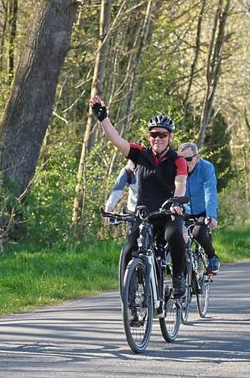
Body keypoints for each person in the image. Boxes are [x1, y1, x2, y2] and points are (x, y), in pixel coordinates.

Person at [89, 92, 189, 299]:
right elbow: (116, 140)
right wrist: (103, 117)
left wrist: (177, 202)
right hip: (144, 214)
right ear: (149, 136)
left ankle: (179, 278)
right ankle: (130, 299)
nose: (157, 139)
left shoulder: (177, 160)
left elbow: (180, 184)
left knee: (174, 235)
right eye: (154, 134)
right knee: (128, 249)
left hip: (168, 212)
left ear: (170, 137)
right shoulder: (140, 154)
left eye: (162, 135)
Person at [178, 142, 220, 274]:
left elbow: (210, 193)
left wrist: (211, 216)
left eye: (189, 159)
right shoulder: (177, 169)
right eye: (182, 160)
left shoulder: (206, 168)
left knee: (197, 233)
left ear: (198, 157)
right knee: (177, 235)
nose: (185, 163)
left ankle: (212, 257)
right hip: (185, 209)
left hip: (204, 209)